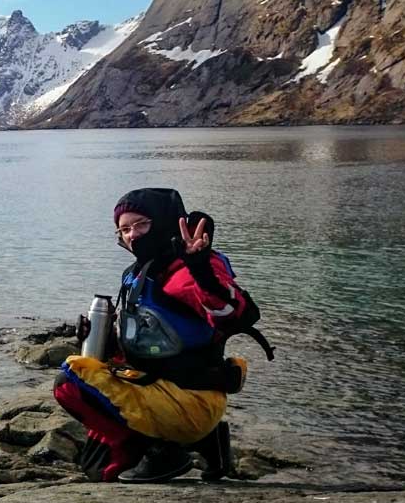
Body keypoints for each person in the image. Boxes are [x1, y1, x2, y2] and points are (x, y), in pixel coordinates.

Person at [53, 188, 274, 483]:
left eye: (141, 224)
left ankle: (165, 453)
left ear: (164, 222)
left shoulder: (186, 271)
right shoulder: (142, 272)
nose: (133, 235)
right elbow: (146, 338)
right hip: (178, 394)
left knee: (69, 381)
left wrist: (202, 271)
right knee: (96, 461)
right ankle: (207, 441)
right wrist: (100, 340)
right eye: (124, 229)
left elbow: (235, 314)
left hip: (187, 399)